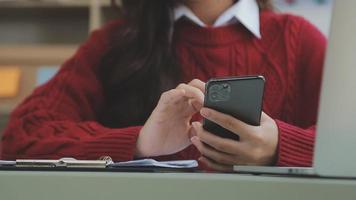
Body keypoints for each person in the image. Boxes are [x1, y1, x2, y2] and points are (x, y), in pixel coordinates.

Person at [0, 0, 326, 171]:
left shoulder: (298, 41)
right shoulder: (115, 44)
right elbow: (20, 137)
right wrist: (139, 145)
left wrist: (280, 148)